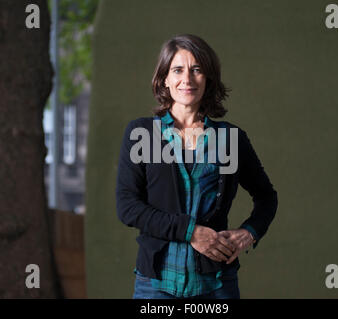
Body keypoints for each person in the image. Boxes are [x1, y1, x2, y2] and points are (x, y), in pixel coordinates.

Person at [116, 34, 278, 299]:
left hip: (216, 285)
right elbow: (127, 206)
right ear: (164, 79)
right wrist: (191, 232)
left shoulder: (231, 140)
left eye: (197, 70)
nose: (187, 79)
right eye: (177, 70)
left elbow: (267, 197)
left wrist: (249, 233)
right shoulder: (140, 133)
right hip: (155, 285)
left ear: (208, 79)